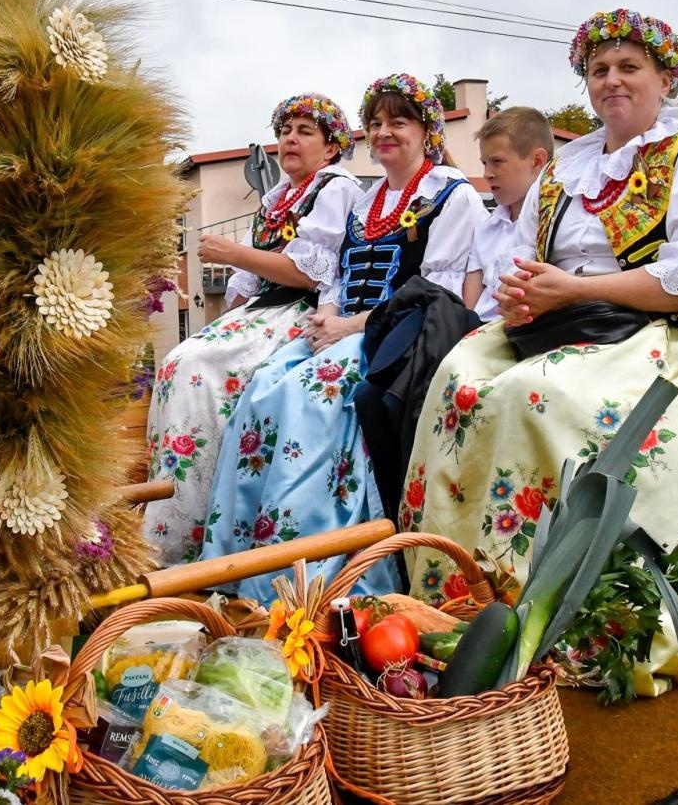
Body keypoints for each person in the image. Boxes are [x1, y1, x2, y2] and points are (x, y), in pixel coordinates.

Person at [400, 10, 678, 617]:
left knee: (530, 394)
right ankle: (457, 593)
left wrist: (575, 292)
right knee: (454, 379)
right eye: (599, 70)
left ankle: (545, 609)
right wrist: (520, 296)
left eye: (630, 67)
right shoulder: (567, 169)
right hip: (565, 324)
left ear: (666, 79)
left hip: (670, 334)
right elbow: (521, 259)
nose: (613, 81)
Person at [198, 73, 487, 600]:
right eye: (375, 123)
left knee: (310, 395)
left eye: (398, 122)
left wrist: (351, 325)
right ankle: (242, 556)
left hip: (402, 332)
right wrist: (323, 321)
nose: (384, 133)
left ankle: (306, 576)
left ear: (428, 131)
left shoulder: (452, 195)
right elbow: (336, 277)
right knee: (262, 388)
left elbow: (437, 291)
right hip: (342, 327)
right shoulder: (366, 198)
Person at [143, 94, 361, 565]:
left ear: (330, 148)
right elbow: (244, 286)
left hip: (301, 309)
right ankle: (178, 516)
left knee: (199, 369)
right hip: (262, 309)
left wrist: (234, 255)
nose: (290, 139)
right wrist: (225, 321)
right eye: (285, 131)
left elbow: (310, 273)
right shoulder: (276, 198)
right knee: (180, 359)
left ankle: (194, 530)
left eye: (305, 132)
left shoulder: (335, 189)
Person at [464, 107, 554, 322]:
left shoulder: (554, 225)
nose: (487, 174)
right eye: (484, 163)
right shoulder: (485, 229)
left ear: (537, 160)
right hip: (477, 333)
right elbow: (469, 308)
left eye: (497, 162)